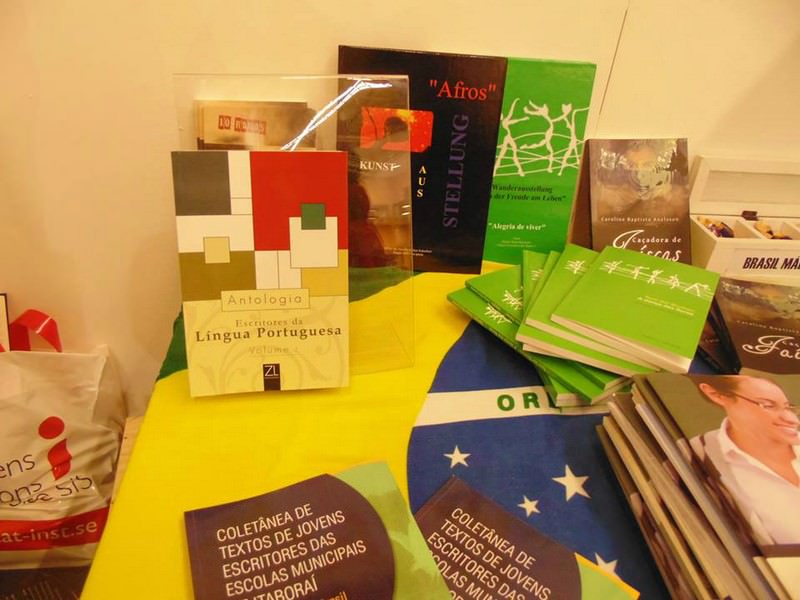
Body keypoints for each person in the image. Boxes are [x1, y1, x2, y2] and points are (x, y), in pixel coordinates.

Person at [690, 375, 800, 545]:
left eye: (787, 407)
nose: (792, 419)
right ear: (716, 395)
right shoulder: (695, 456)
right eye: (768, 405)